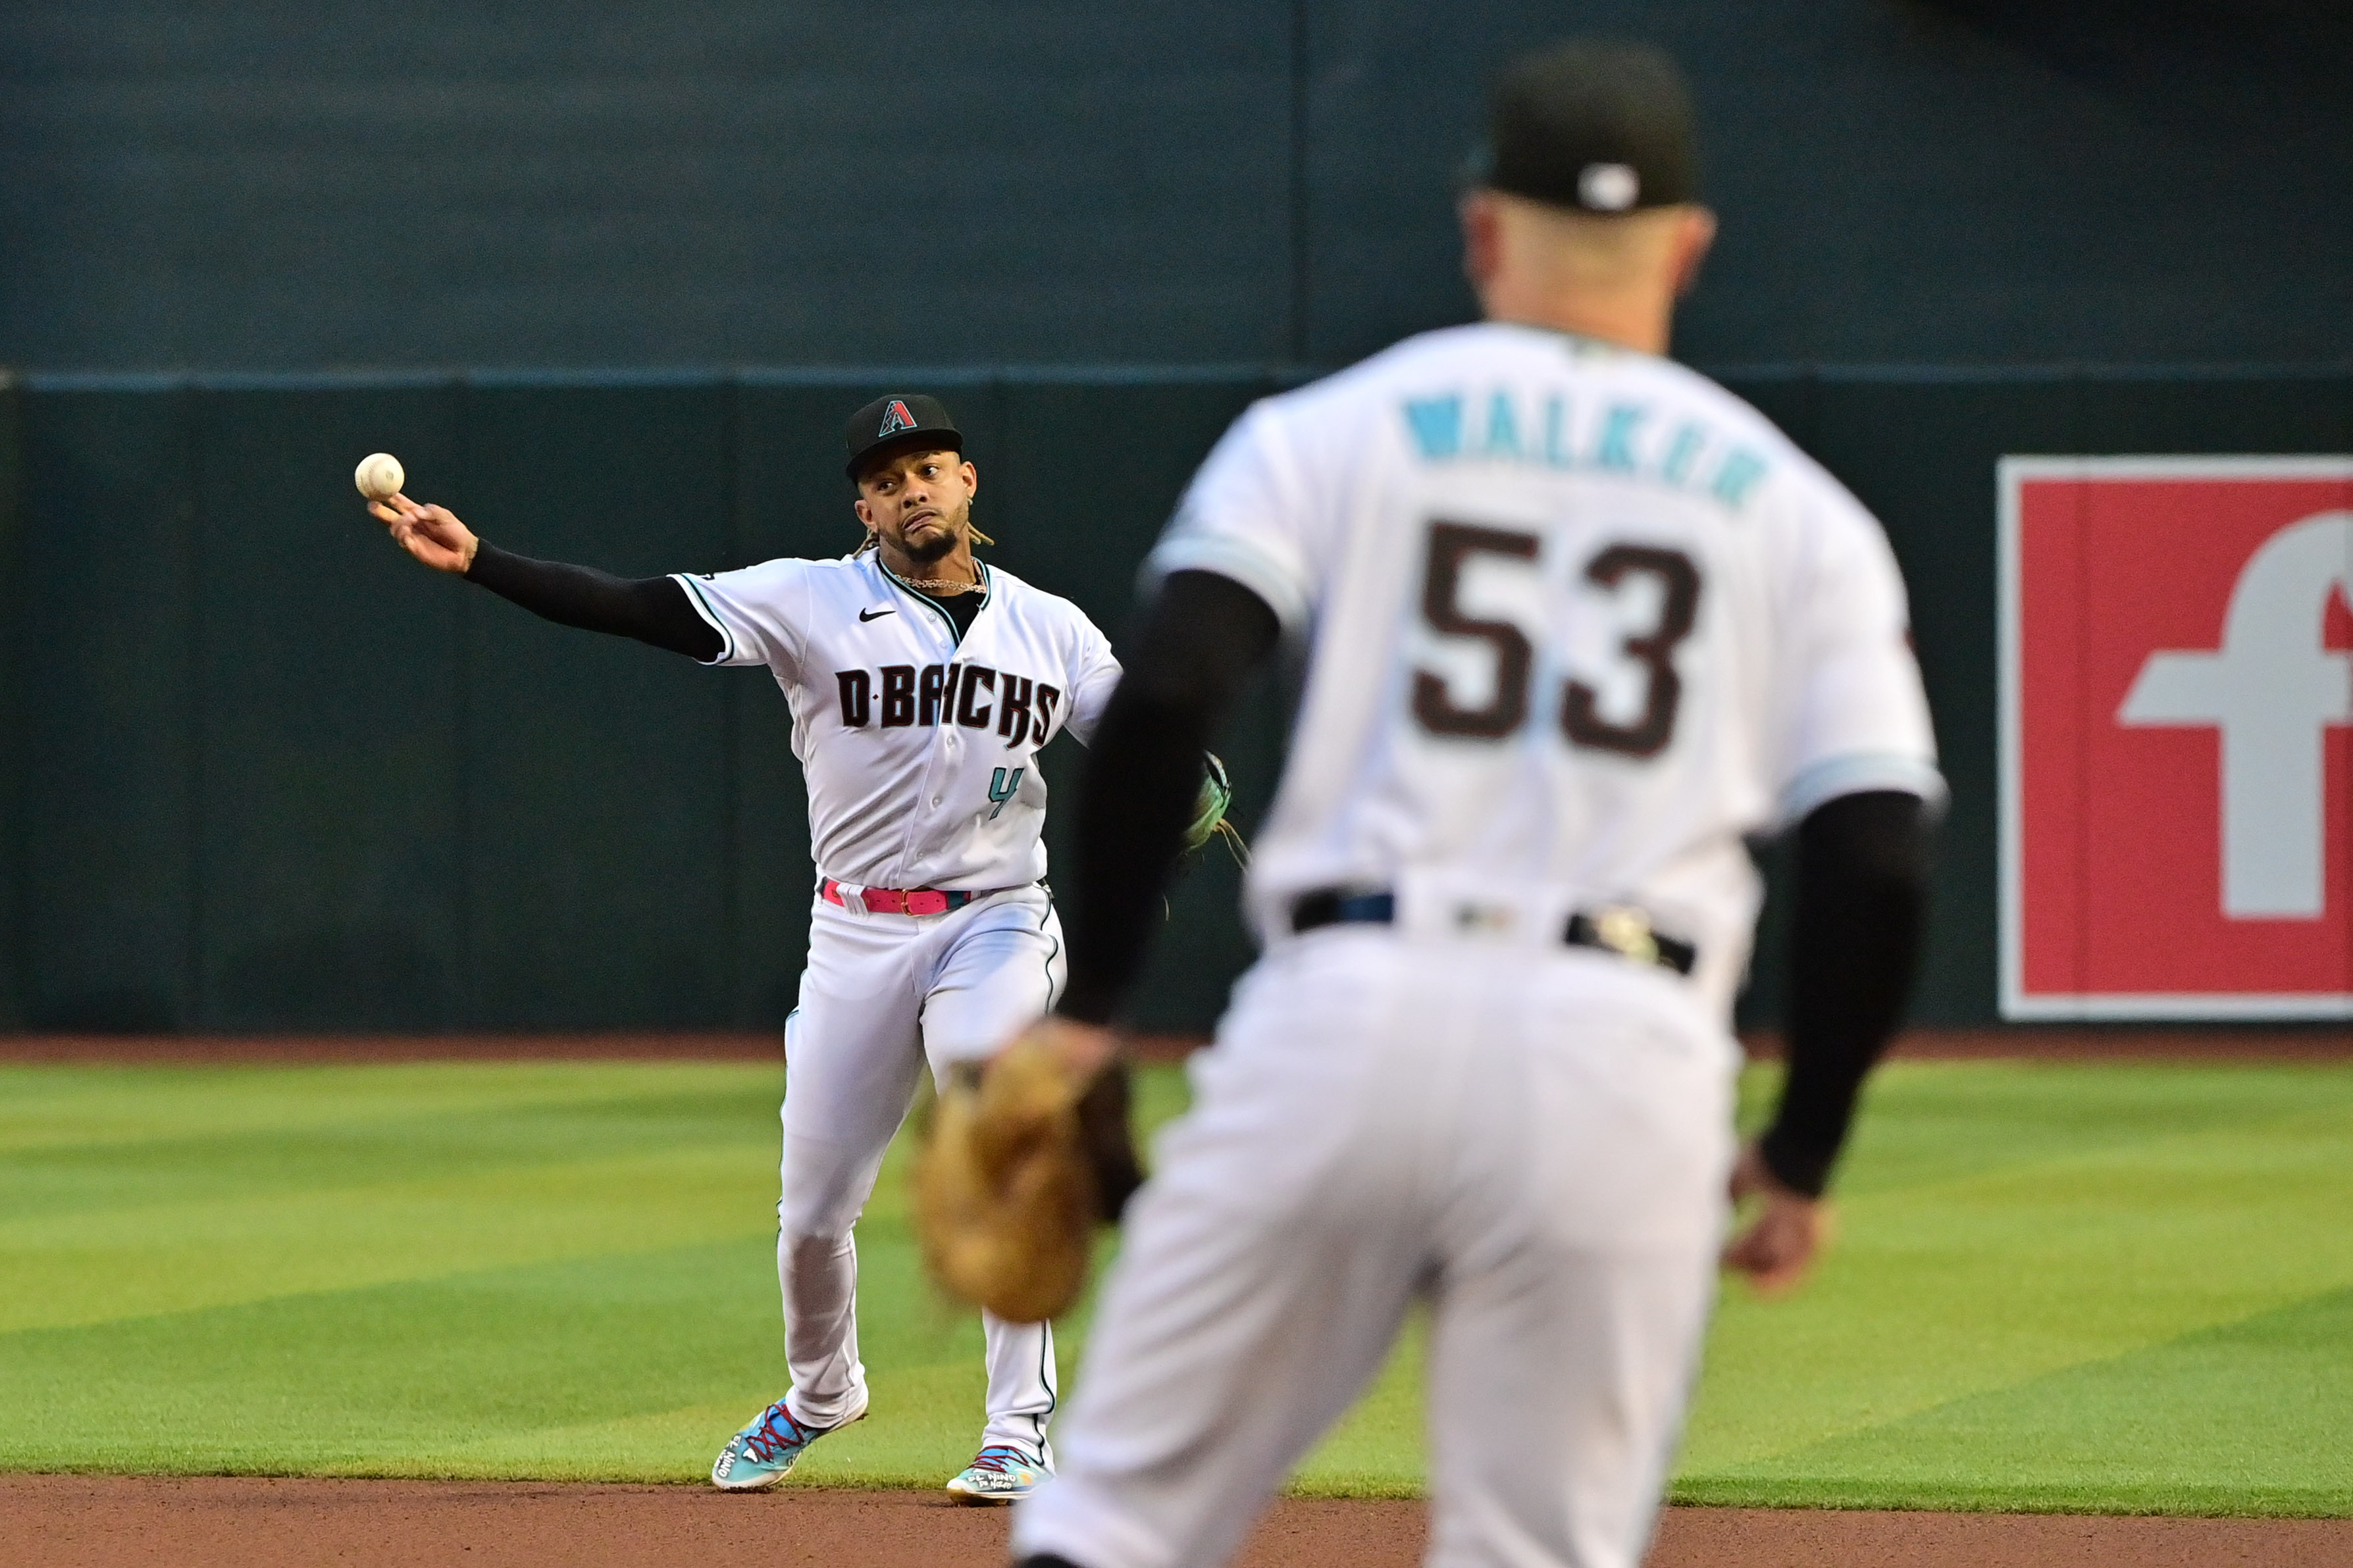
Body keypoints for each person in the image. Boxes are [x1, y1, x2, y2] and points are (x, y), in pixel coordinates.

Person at [1000, 40, 1942, 1568]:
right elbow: (1878, 854)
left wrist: (1093, 1003)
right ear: (1689, 251)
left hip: (1345, 1013)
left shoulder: (1331, 429)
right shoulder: (1799, 512)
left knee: (1111, 1522)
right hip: (1623, 1057)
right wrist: (1809, 1145)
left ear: (1483, 228)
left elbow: (1170, 687)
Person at [365, 393, 1123, 1504]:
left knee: (998, 1125)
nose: (914, 485)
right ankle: (823, 1393)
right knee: (814, 1214)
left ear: (969, 485)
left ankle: (1017, 1429)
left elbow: (1136, 726)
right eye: (889, 474)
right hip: (857, 929)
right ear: (864, 506)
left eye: (932, 465)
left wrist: (1183, 768)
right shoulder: (809, 600)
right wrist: (482, 560)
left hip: (996, 919)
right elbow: (636, 609)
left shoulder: (1053, 627)